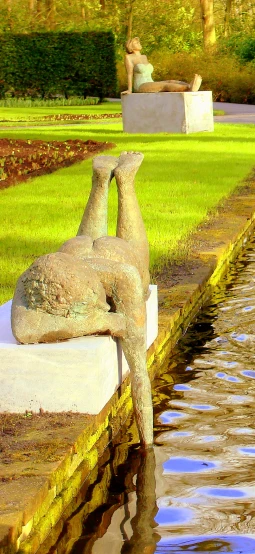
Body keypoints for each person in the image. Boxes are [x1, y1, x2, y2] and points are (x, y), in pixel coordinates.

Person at [11, 152, 154, 447]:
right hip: (75, 255)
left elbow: (140, 373)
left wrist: (147, 446)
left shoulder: (121, 277)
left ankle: (122, 184)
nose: (103, 305)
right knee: (103, 251)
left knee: (139, 273)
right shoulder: (39, 275)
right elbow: (24, 329)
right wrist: (102, 320)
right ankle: (108, 181)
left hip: (100, 255)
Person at [122, 37, 202, 95]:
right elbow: (129, 74)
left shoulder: (144, 57)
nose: (139, 44)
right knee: (165, 86)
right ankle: (188, 88)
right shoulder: (129, 57)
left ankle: (189, 85)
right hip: (140, 86)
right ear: (130, 47)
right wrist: (129, 90)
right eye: (136, 43)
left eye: (138, 42)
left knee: (170, 81)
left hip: (150, 82)